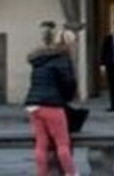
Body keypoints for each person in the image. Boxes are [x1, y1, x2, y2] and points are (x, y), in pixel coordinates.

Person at [24, 26, 78, 176]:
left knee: (41, 144)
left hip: (33, 104)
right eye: (74, 43)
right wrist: (68, 97)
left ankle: (42, 174)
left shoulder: (40, 59)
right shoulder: (63, 59)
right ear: (68, 43)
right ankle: (71, 173)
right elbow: (69, 83)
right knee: (63, 144)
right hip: (52, 104)